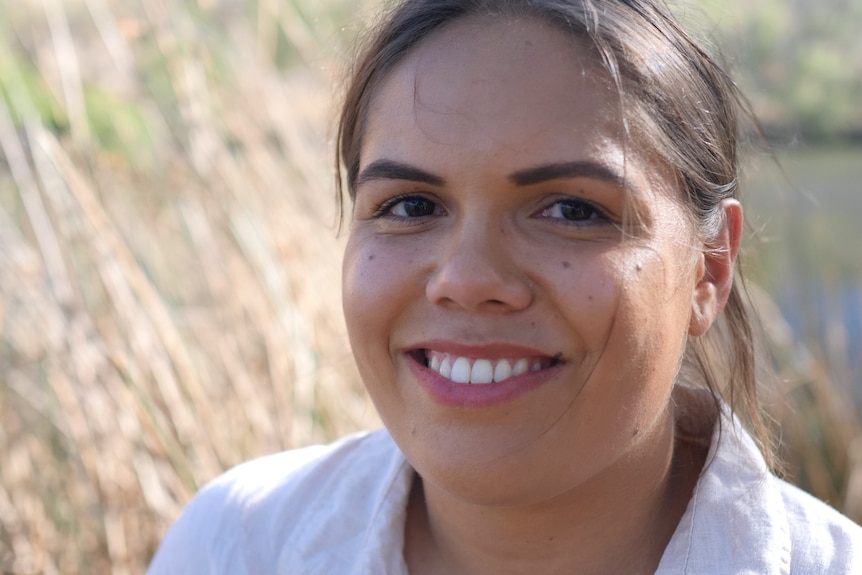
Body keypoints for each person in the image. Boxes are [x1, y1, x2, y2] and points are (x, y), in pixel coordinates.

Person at [148, 0, 862, 573]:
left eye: (572, 210)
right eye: (410, 205)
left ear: (709, 268)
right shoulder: (236, 546)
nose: (466, 279)